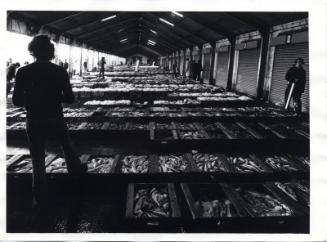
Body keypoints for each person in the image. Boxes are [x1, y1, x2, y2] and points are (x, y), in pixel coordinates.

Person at [12, 35, 86, 209]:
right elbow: (69, 99)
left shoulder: (23, 72)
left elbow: (16, 101)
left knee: (37, 159)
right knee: (67, 149)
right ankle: (78, 186)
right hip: (55, 117)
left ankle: (40, 199)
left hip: (34, 119)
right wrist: (53, 95)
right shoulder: (59, 71)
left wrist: (32, 98)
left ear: (32, 51)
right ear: (51, 52)